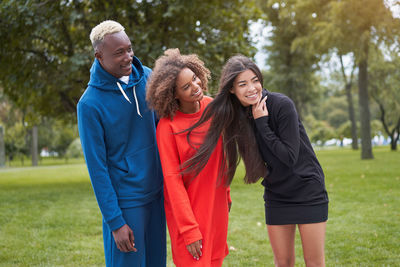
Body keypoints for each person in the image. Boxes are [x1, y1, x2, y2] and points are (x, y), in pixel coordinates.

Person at [184, 55, 329, 267]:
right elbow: (205, 116)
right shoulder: (236, 115)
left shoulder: (281, 105)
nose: (252, 88)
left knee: (313, 262)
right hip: (277, 193)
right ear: (232, 89)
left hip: (307, 189)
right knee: (283, 262)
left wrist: (262, 123)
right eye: (243, 84)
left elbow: (289, 157)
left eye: (255, 80)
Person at [77, 20, 166, 267]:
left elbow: (168, 126)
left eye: (129, 49)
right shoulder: (89, 104)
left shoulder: (148, 77)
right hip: (126, 203)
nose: (128, 57)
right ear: (99, 56)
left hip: (157, 194)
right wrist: (115, 222)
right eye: (118, 53)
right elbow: (97, 169)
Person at [146, 48, 232, 267]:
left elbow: (222, 157)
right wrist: (189, 230)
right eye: (186, 87)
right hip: (189, 214)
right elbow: (172, 180)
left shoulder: (213, 108)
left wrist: (227, 194)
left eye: (194, 79)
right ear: (173, 94)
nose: (196, 87)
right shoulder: (168, 127)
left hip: (216, 207)